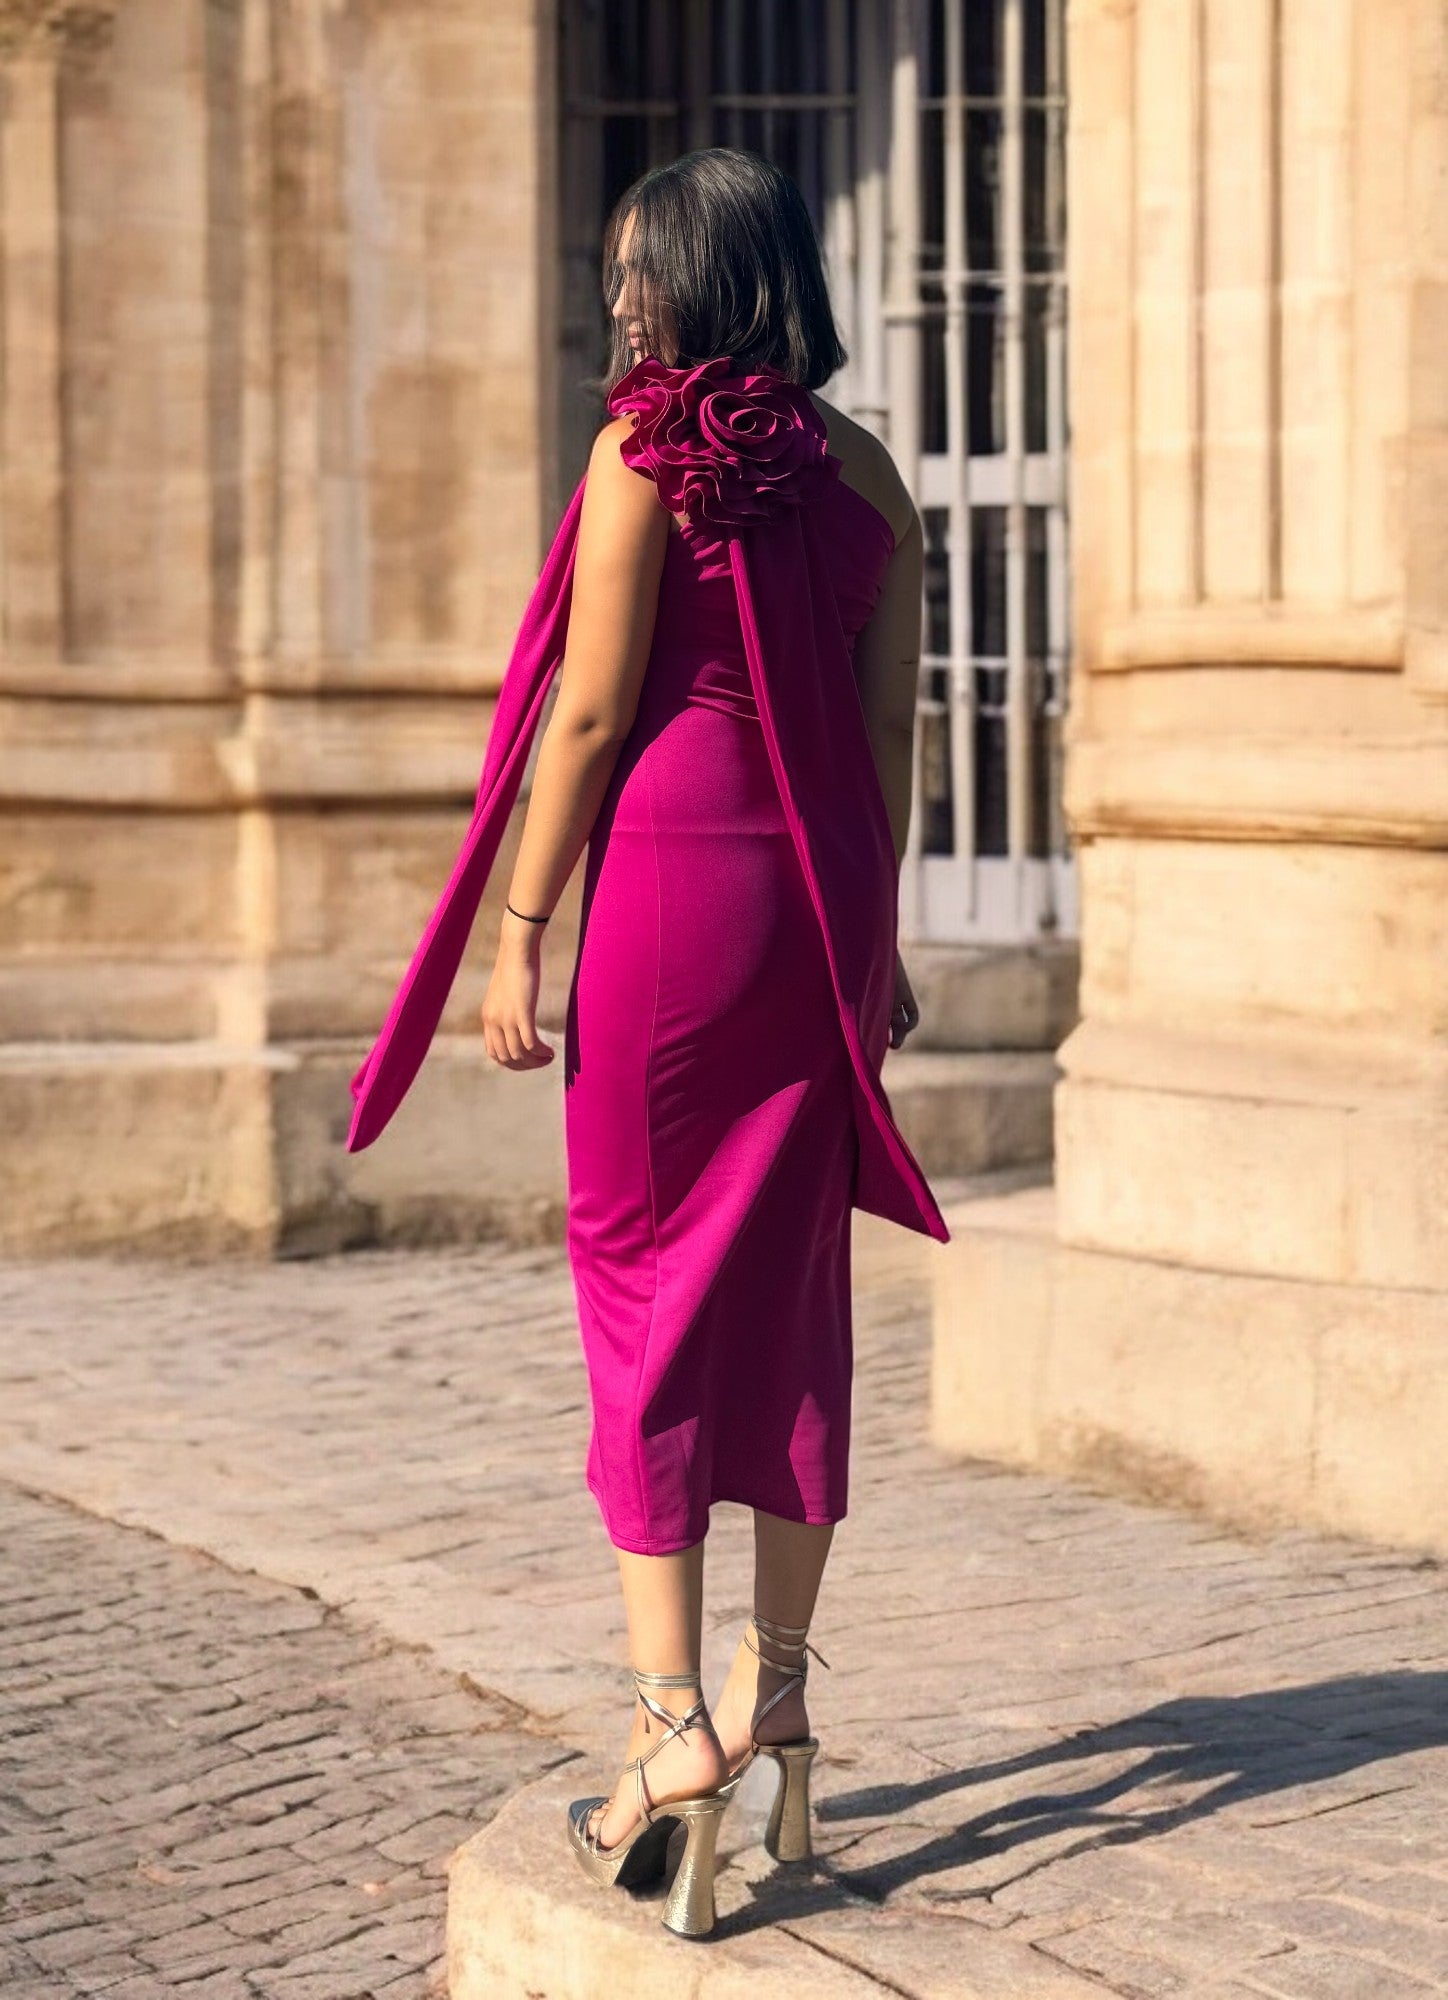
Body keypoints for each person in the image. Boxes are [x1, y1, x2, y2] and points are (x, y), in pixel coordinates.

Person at [345, 147, 950, 1939]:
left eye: (638, 270)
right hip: (816, 902)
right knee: (789, 1295)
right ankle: (785, 1700)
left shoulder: (644, 456)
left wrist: (523, 925)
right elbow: (887, 735)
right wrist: (878, 934)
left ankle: (669, 1720)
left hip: (674, 904)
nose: (622, 298)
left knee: (641, 1285)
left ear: (698, 277)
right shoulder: (871, 478)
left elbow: (595, 710)